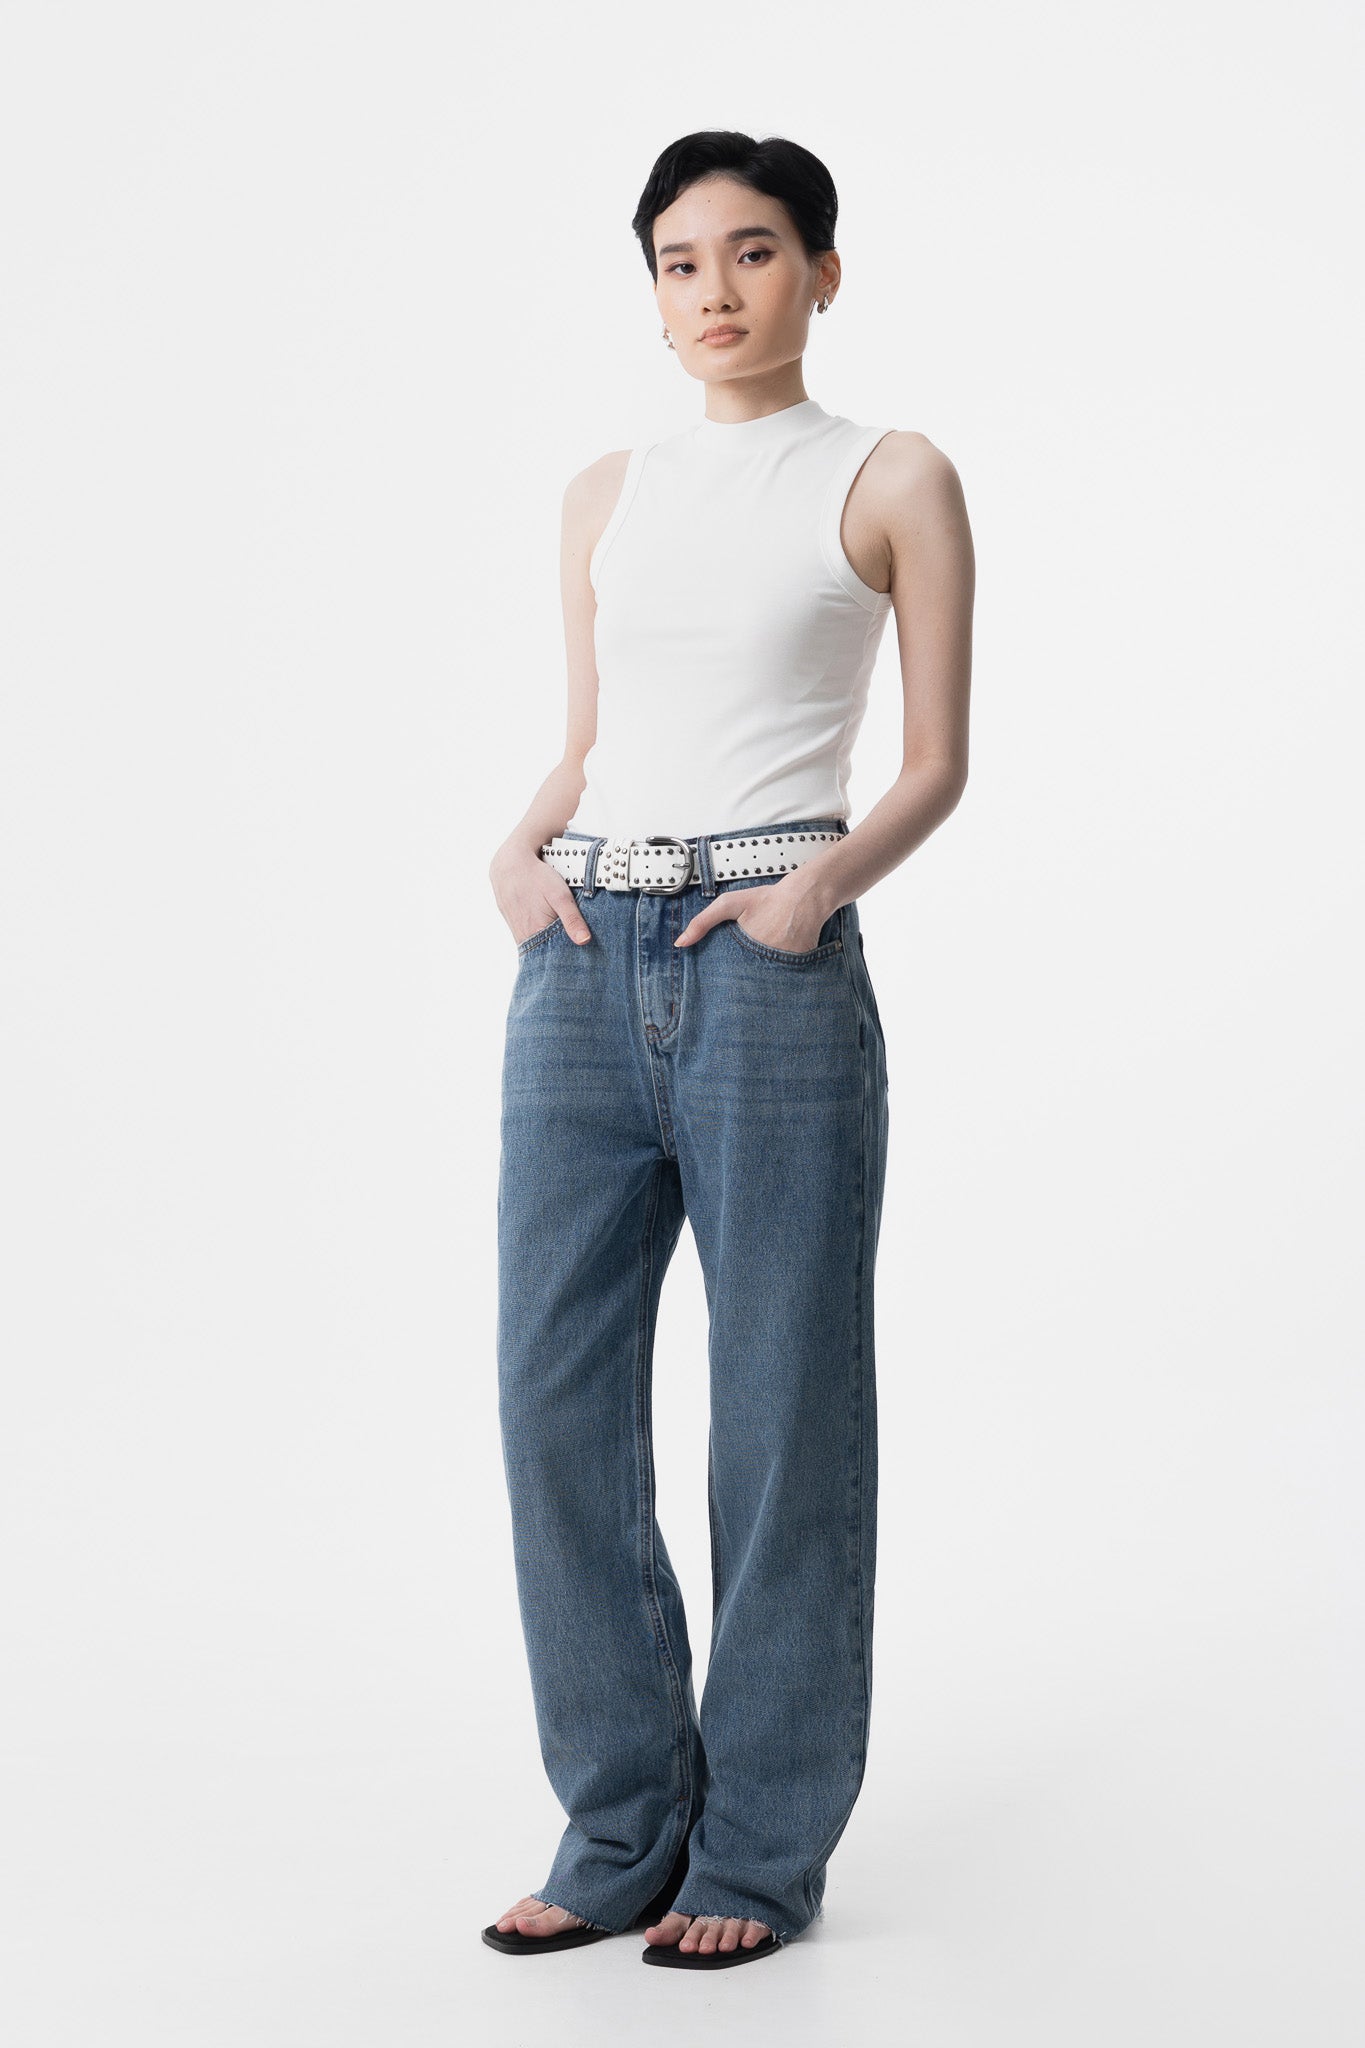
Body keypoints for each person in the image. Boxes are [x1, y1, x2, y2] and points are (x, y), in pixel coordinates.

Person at [483, 129, 974, 1971]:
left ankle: (757, 1849)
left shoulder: (892, 473)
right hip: (579, 954)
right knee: (553, 1396)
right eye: (679, 261)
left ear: (820, 273)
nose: (715, 290)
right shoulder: (604, 491)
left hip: (768, 961)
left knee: (781, 1404)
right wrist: (517, 851)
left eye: (754, 252)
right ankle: (622, 1824)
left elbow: (935, 759)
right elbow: (592, 734)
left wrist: (814, 888)